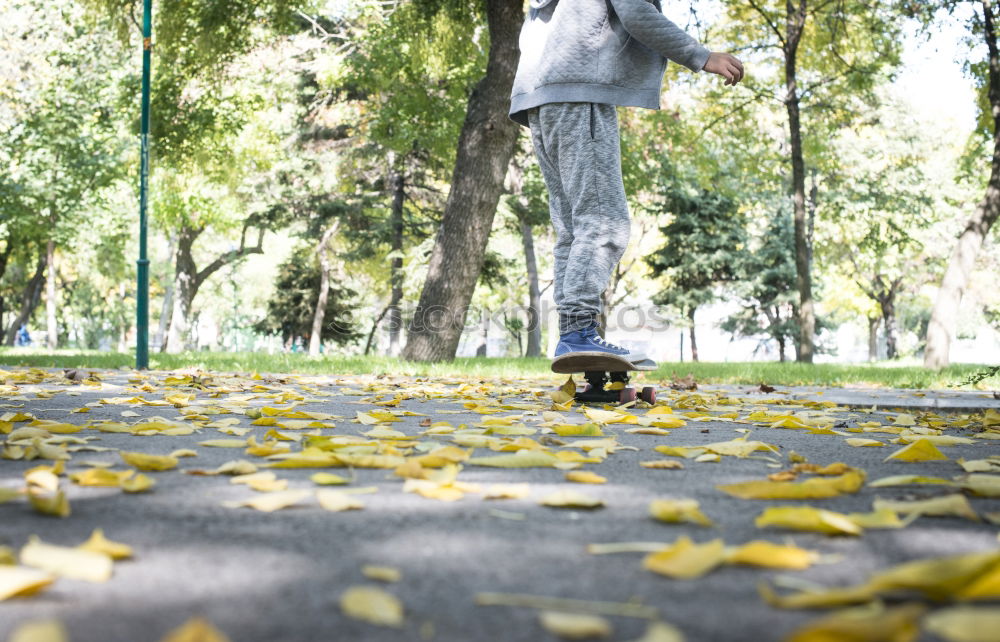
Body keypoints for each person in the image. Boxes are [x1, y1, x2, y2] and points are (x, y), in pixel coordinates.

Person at [509, 0, 743, 365]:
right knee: (605, 223)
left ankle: (575, 334)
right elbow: (636, 12)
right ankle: (578, 334)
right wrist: (701, 56)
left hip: (540, 98)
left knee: (572, 229)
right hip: (579, 92)